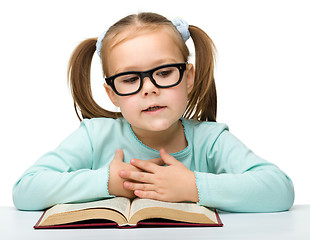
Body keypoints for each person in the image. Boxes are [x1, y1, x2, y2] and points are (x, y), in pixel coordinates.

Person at [12, 12, 294, 213]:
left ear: (188, 77)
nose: (149, 89)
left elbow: (279, 190)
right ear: (112, 93)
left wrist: (193, 187)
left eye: (164, 72)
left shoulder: (211, 140)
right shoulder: (94, 135)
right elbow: (26, 190)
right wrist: (107, 182)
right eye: (130, 79)